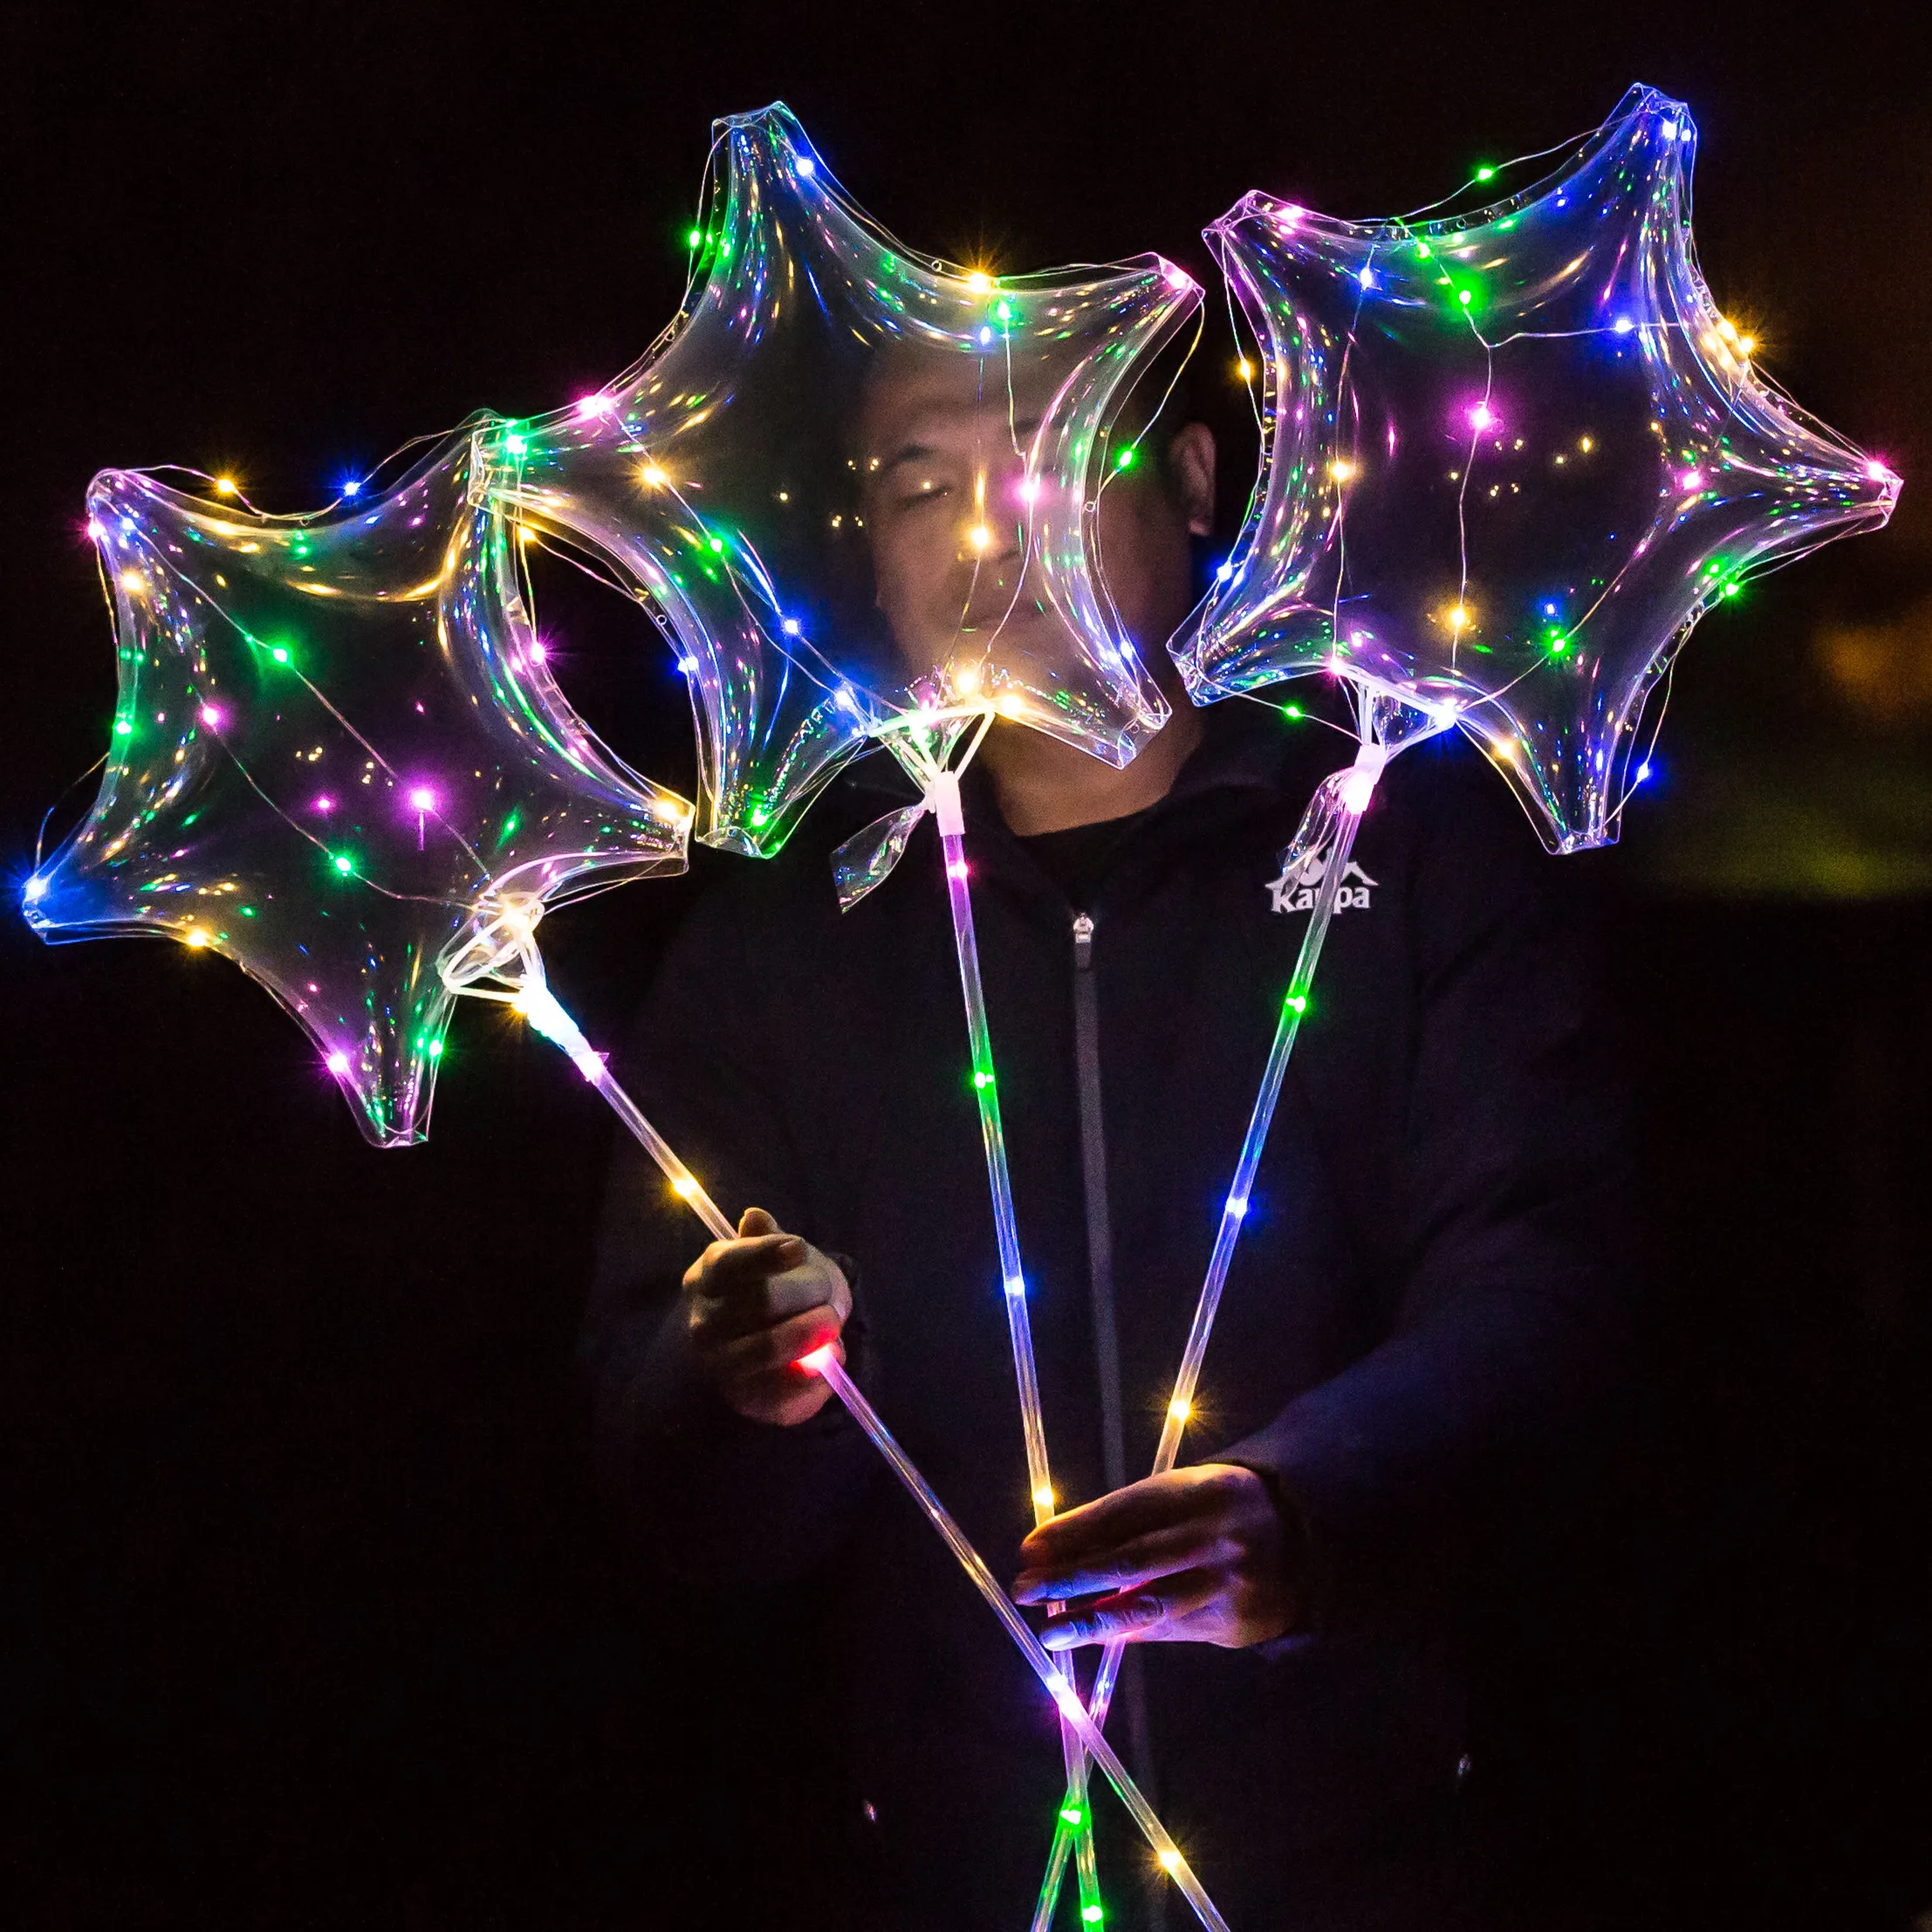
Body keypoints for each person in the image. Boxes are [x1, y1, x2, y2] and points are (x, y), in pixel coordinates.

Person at [582, 344, 1638, 1929]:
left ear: (1197, 481)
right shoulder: (785, 946)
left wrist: (1305, 1512)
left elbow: (1553, 1288)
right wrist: (739, 1382)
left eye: (1052, 453)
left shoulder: (1400, 842)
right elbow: (671, 1488)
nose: (988, 531)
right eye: (918, 482)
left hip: (1387, 1863)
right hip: (949, 1874)